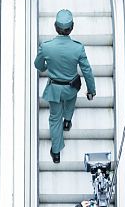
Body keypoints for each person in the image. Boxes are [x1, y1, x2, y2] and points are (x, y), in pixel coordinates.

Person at [34, 9, 97, 164]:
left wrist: (45, 68)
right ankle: (67, 121)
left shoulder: (46, 46)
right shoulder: (78, 47)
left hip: (55, 89)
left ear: (55, 27)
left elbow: (38, 64)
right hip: (71, 86)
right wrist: (91, 90)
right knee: (70, 102)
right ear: (72, 27)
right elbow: (87, 70)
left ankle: (56, 152)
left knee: (54, 119)